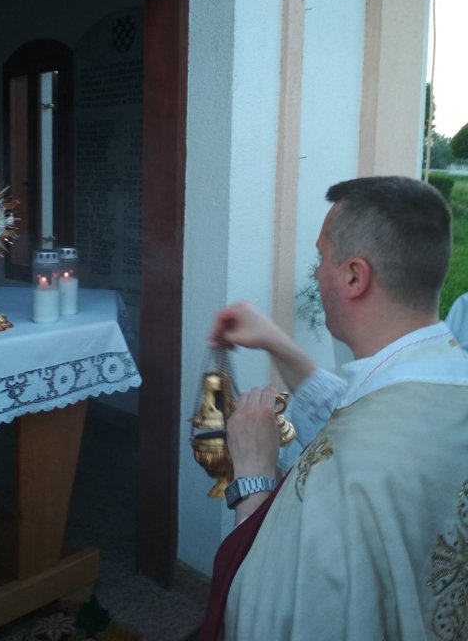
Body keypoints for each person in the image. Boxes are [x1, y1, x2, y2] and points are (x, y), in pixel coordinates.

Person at [198, 175, 468, 641]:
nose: (319, 272)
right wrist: (280, 346)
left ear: (354, 276)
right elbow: (362, 407)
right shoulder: (441, 372)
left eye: (322, 257)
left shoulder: (354, 471)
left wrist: (254, 476)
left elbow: (269, 612)